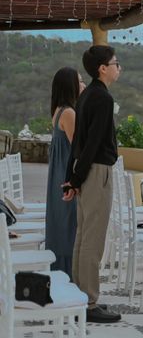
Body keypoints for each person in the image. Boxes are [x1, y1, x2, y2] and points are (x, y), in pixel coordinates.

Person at [63, 45, 122, 323]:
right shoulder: (102, 98)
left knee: (84, 235)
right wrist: (75, 178)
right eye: (115, 63)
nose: (118, 67)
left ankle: (80, 294)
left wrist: (71, 178)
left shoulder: (87, 95)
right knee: (93, 239)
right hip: (97, 171)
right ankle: (88, 301)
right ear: (103, 68)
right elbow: (93, 142)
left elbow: (78, 143)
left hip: (86, 171)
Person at [45, 67, 81, 277]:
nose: (82, 84)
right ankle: (67, 275)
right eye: (79, 80)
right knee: (68, 222)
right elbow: (77, 147)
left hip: (58, 173)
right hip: (66, 174)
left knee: (61, 220)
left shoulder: (58, 110)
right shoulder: (68, 112)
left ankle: (60, 271)